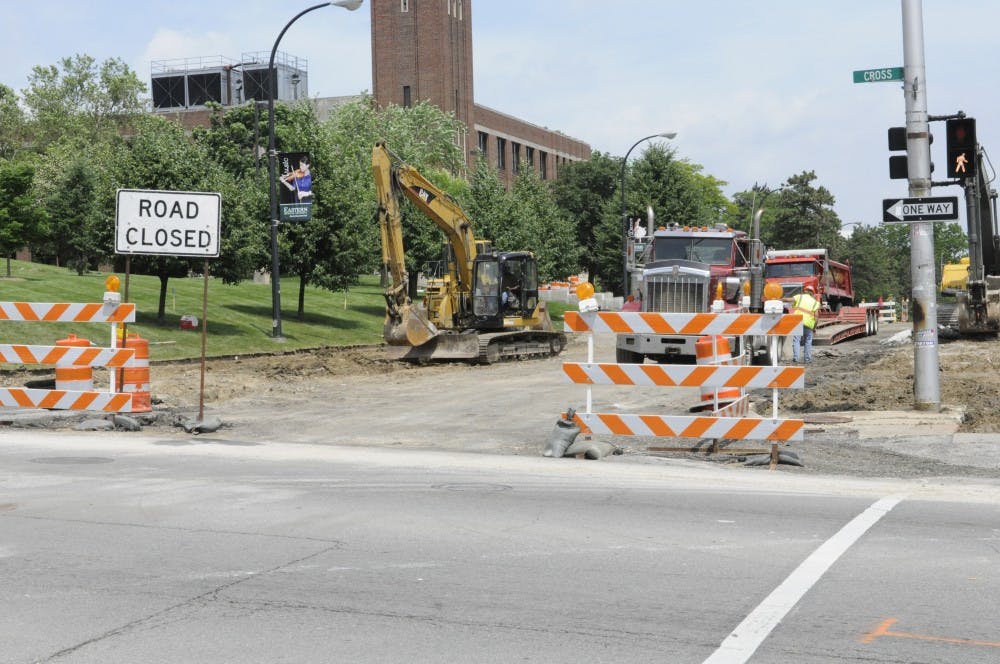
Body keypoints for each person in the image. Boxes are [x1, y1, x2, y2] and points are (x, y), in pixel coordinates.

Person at [790, 285, 821, 363]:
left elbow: (789, 299)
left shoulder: (799, 297)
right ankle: (807, 359)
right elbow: (816, 317)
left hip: (798, 321)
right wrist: (814, 327)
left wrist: (779, 299)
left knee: (796, 340)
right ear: (812, 293)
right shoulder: (815, 303)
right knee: (808, 341)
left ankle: (796, 358)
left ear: (804, 291)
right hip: (809, 324)